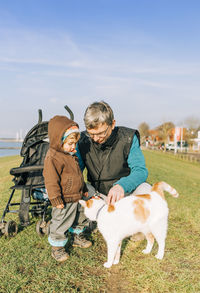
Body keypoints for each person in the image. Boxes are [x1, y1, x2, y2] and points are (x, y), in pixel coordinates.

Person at [76, 100, 151, 206]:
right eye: (91, 134)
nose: (96, 139)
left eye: (101, 133)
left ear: (112, 124)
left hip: (125, 193)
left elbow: (140, 171)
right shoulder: (82, 140)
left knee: (146, 189)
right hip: (97, 195)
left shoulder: (128, 138)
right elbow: (75, 171)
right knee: (75, 187)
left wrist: (121, 186)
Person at [43, 115, 91, 262]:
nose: (74, 147)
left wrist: (83, 188)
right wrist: (55, 199)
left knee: (80, 217)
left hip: (77, 195)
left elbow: (78, 175)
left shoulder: (71, 155)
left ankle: (77, 236)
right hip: (63, 198)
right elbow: (51, 180)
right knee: (61, 221)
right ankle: (57, 247)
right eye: (70, 143)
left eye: (75, 143)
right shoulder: (53, 157)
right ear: (59, 140)